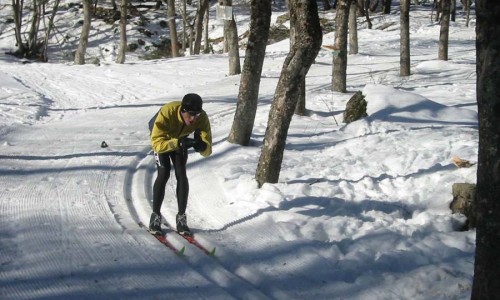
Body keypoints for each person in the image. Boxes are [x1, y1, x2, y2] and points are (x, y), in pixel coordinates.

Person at [148, 93, 212, 236]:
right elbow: (157, 144)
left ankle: (181, 218)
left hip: (180, 138)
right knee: (163, 173)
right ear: (182, 111)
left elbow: (208, 150)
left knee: (181, 174)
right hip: (162, 139)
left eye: (197, 114)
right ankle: (155, 216)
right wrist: (177, 143)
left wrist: (202, 146)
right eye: (191, 114)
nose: (194, 118)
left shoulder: (201, 118)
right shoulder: (167, 112)